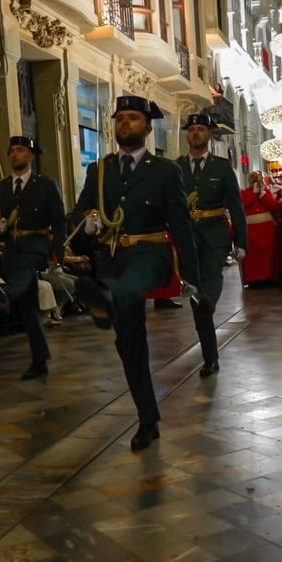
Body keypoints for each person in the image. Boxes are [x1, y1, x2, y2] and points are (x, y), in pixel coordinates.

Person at [71, 96, 200, 451]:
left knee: (132, 281)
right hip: (114, 256)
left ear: (147, 126)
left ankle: (107, 298)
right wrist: (87, 226)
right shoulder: (99, 171)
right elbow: (80, 214)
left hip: (151, 253)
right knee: (129, 346)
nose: (124, 124)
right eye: (120, 118)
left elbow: (181, 224)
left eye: (132, 118)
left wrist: (191, 275)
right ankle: (148, 419)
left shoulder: (164, 170)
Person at [177, 113, 247, 376]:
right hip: (187, 238)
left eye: (200, 129)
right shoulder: (177, 167)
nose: (195, 133)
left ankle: (208, 306)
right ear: (187, 135)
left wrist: (241, 242)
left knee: (210, 280)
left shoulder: (221, 167)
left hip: (215, 236)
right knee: (197, 298)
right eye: (192, 129)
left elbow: (236, 207)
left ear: (209, 135)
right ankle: (210, 357)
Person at [0, 135, 67, 379]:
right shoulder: (2, 187)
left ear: (31, 156)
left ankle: (5, 293)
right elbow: (1, 221)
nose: (15, 154)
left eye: (21, 150)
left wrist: (59, 251)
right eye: (12, 150)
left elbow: (58, 220)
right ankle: (39, 360)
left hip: (36, 244)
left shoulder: (45, 185)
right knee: (28, 307)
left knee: (24, 273)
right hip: (13, 246)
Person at [239, 170, 282, 285]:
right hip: (250, 230)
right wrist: (254, 194)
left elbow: (274, 206)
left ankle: (267, 277)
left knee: (267, 256)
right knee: (252, 258)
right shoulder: (244, 193)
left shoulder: (265, 192)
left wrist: (262, 194)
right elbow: (242, 205)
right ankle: (254, 280)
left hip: (266, 229)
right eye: (253, 178)